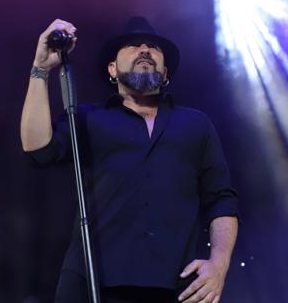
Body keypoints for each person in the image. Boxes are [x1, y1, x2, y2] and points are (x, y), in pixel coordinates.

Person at [20, 17, 240, 303]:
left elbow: (221, 200)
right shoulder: (88, 118)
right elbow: (37, 147)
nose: (145, 50)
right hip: (92, 281)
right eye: (134, 46)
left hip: (176, 285)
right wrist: (41, 69)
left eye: (153, 48)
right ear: (112, 68)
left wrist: (219, 265)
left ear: (165, 74)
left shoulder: (196, 124)